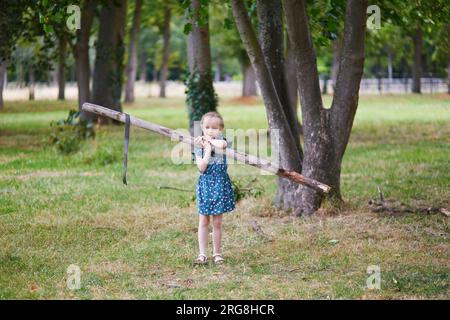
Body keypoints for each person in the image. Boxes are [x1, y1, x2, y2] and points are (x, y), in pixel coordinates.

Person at [193, 111, 235, 265]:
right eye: (207, 127)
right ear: (202, 128)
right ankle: (202, 254)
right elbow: (202, 167)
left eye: (215, 128)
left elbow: (222, 144)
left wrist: (208, 142)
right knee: (203, 221)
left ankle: (217, 253)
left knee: (217, 223)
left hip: (220, 185)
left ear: (220, 129)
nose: (211, 131)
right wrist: (206, 150)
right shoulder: (199, 147)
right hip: (205, 186)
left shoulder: (222, 142)